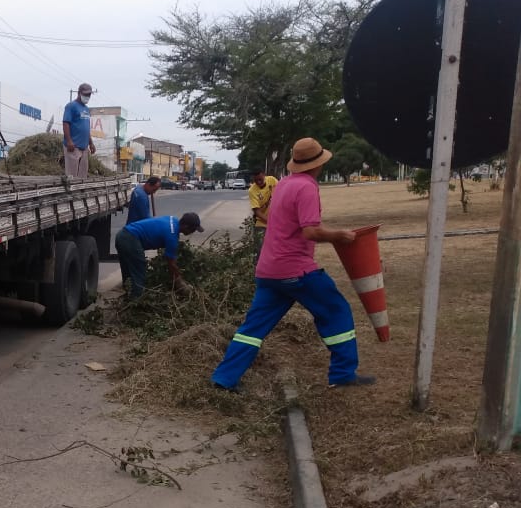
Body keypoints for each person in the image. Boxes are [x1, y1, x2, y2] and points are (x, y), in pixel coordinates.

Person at [212, 138, 375, 391]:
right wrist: (339, 236)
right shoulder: (307, 187)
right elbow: (310, 232)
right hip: (295, 271)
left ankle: (224, 378)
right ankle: (342, 373)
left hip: (268, 271)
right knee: (336, 310)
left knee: (252, 328)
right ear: (318, 164)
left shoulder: (284, 184)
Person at [115, 212, 204, 299]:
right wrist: (179, 282)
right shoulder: (172, 237)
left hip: (122, 235)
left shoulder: (172, 219)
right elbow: (171, 264)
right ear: (186, 226)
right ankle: (136, 302)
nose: (193, 232)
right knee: (139, 272)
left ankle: (128, 297)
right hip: (131, 239)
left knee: (129, 272)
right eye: (193, 230)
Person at [62, 83, 96, 179]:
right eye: (85, 94)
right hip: (73, 147)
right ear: (79, 93)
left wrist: (91, 143)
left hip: (84, 147)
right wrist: (69, 141)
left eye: (89, 95)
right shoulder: (71, 106)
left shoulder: (86, 109)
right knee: (71, 176)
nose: (87, 97)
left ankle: (80, 193)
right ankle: (70, 193)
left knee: (82, 176)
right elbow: (65, 123)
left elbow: (86, 128)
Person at [248, 168, 279, 255]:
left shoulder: (272, 180)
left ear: (264, 175)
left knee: (277, 250)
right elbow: (257, 212)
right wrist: (270, 222)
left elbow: (282, 192)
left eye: (260, 179)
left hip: (277, 222)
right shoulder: (252, 191)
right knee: (260, 250)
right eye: (255, 180)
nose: (258, 182)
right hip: (261, 223)